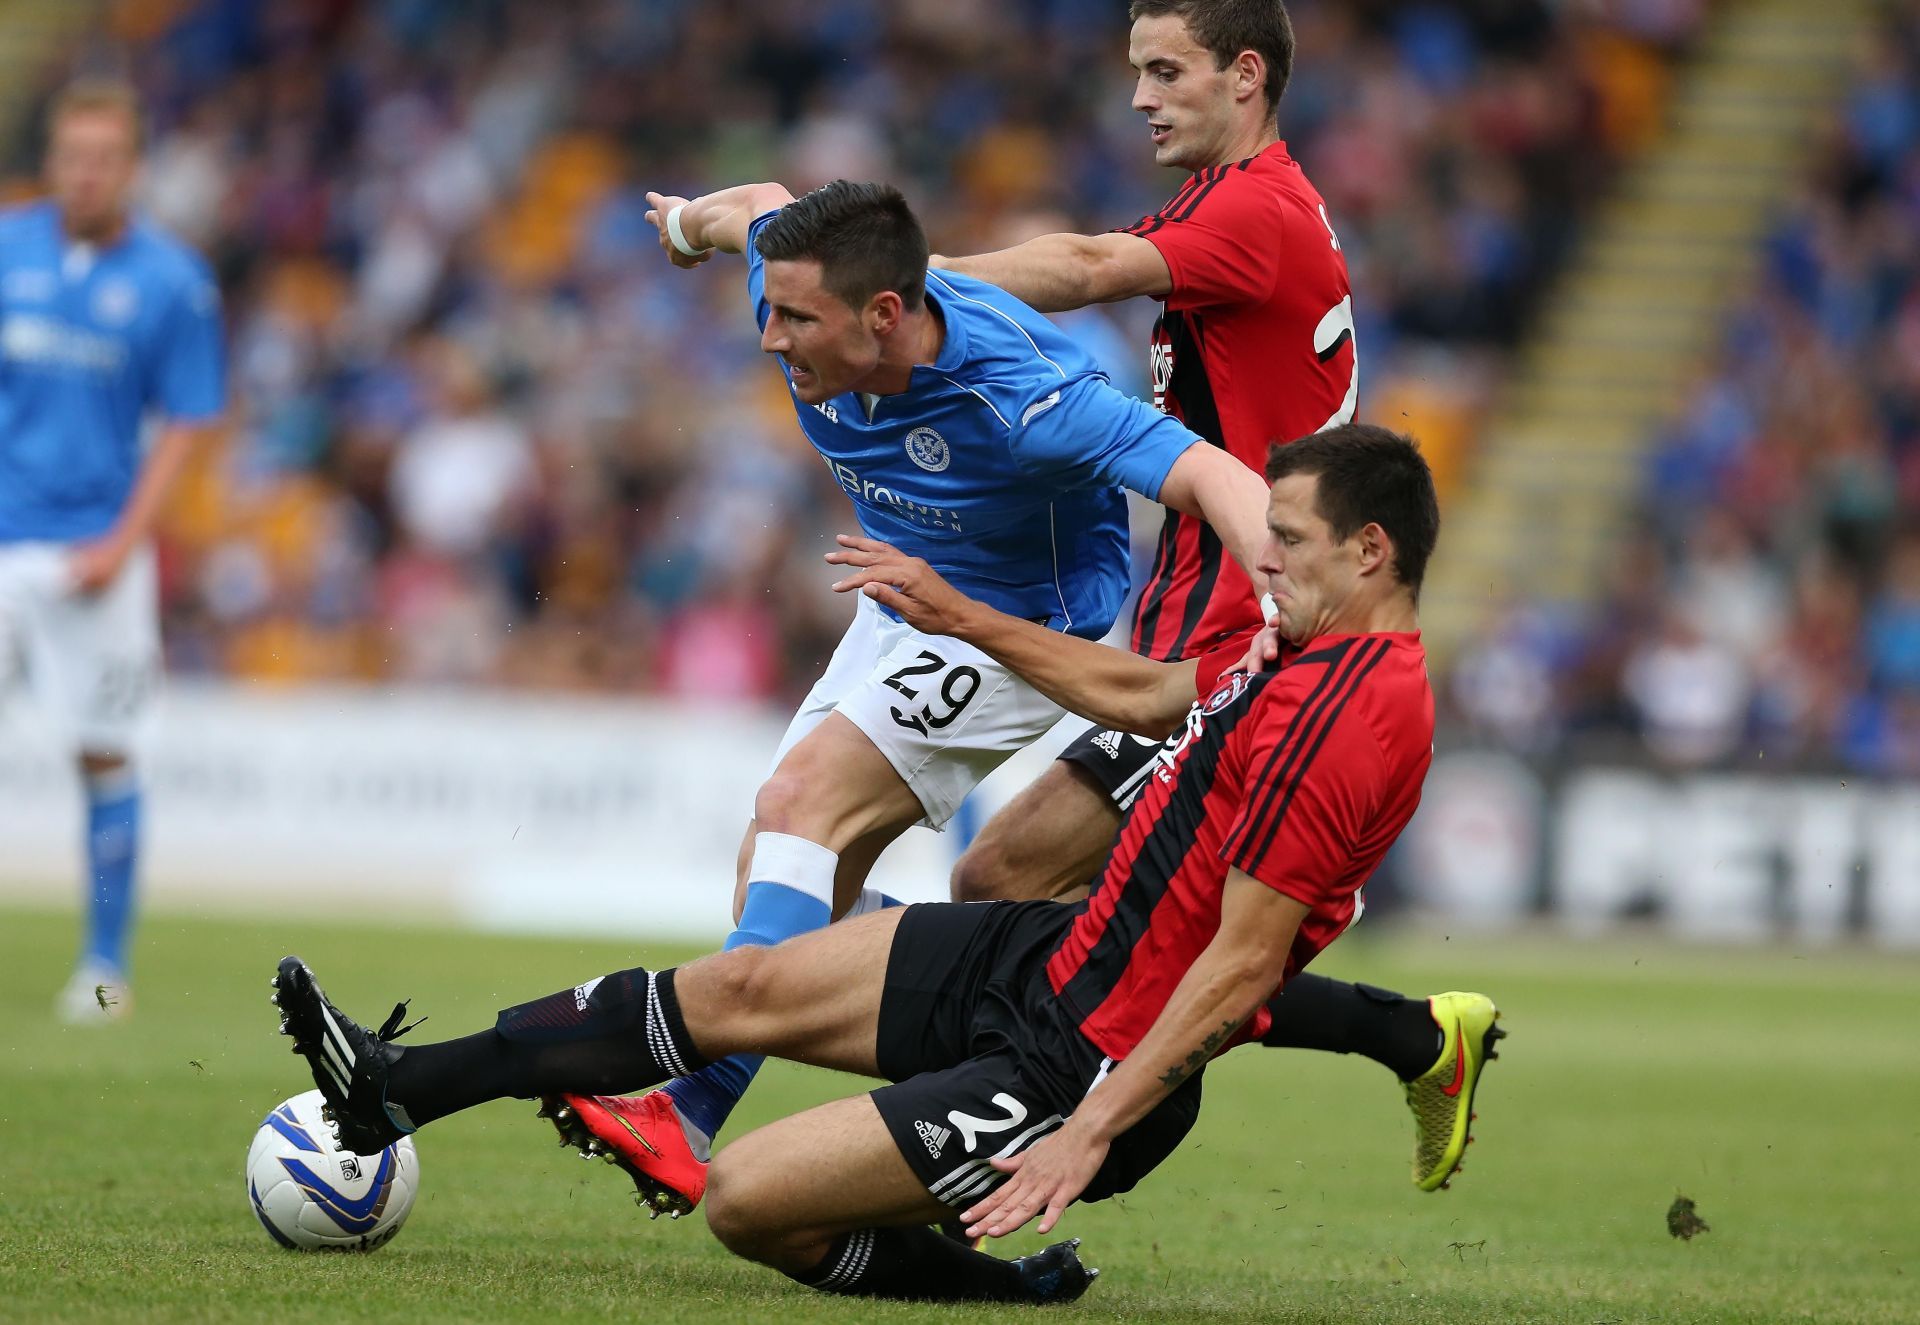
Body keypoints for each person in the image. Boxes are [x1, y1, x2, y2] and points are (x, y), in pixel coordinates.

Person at [276, 424, 1483, 1304]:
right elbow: (1143, 690)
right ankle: (396, 1085)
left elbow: (1240, 965)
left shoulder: (1355, 717)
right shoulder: (1293, 646)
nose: (1261, 559)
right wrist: (960, 614)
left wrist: (1092, 1128)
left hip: (1082, 1060)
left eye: (1288, 538)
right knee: (743, 986)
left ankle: (999, 1286)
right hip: (1044, 952)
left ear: (1371, 550)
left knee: (745, 1198)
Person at [588, 177, 1272, 1215]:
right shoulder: (800, 270)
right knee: (777, 874)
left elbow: (1205, 469)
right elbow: (757, 206)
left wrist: (1286, 583)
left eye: (797, 320)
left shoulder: (1029, 398)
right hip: (901, 583)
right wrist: (685, 228)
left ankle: (682, 1106)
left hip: (1018, 621)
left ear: (885, 316)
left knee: (800, 804)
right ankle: (1006, 994)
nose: (772, 337)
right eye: (768, 307)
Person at [932, 0, 1491, 1191]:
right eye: (1135, 70)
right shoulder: (1229, 207)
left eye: (1165, 70)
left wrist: (902, 289)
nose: (1139, 96)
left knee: (1008, 880)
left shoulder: (1253, 209)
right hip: (1211, 621)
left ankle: (989, 1142)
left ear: (1246, 75)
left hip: (1240, 636)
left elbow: (1082, 267)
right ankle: (1409, 1035)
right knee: (1141, 932)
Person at [0, 78, 225, 1022]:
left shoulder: (175, 282)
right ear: (50, 160)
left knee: (105, 752)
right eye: (70, 155)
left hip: (96, 551)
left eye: (103, 157)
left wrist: (124, 543)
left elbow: (187, 422)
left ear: (131, 168)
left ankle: (102, 966)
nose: (84, 173)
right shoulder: (9, 246)